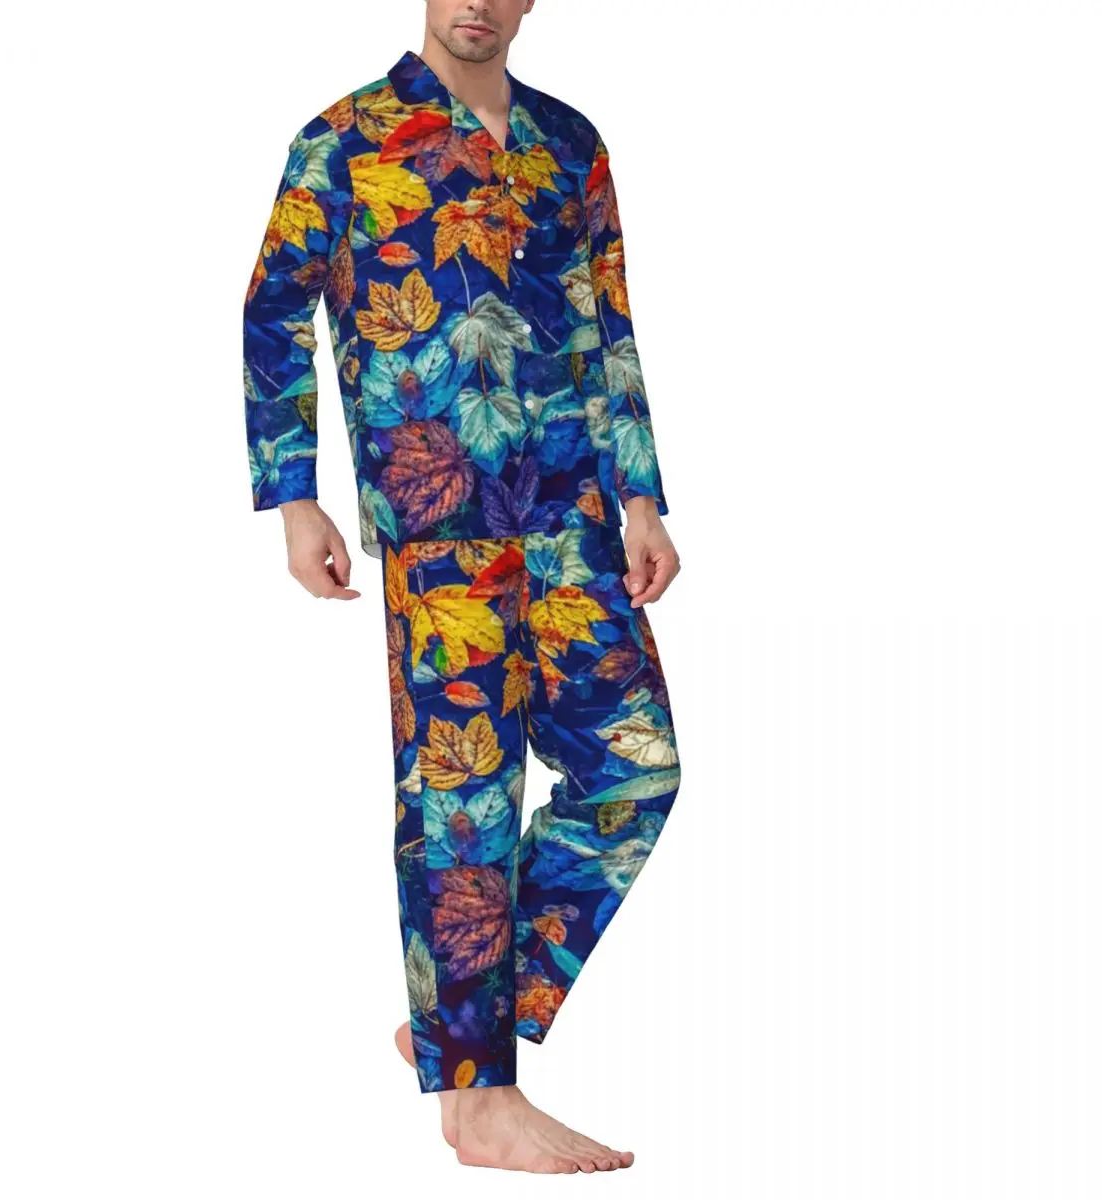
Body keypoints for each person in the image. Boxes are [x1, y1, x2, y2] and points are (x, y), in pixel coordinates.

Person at [242, 0, 682, 1174]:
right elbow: (274, 311)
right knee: (464, 799)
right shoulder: (343, 140)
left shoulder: (570, 144)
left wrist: (643, 496)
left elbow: (612, 324)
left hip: (574, 514)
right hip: (439, 524)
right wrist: (294, 496)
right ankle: (478, 1100)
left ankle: (458, 1028)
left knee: (636, 771)